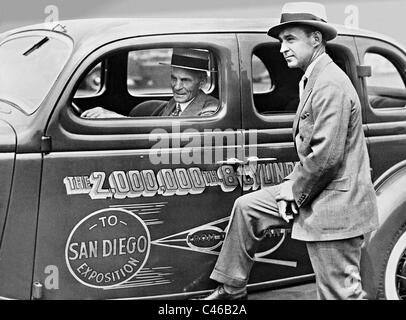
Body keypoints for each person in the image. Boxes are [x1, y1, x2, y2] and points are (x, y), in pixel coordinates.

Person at [199, 2, 379, 300]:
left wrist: (293, 194)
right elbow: (315, 158)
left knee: (340, 293)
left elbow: (325, 158)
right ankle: (231, 290)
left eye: (290, 39)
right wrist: (289, 190)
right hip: (318, 191)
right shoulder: (312, 78)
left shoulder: (330, 84)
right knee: (248, 208)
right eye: (281, 40)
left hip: (336, 204)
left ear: (316, 39)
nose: (282, 48)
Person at [81, 48, 219, 118]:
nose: (176, 87)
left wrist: (114, 117)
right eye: (173, 78)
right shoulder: (174, 104)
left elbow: (170, 136)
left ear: (202, 81)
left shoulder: (210, 112)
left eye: (185, 80)